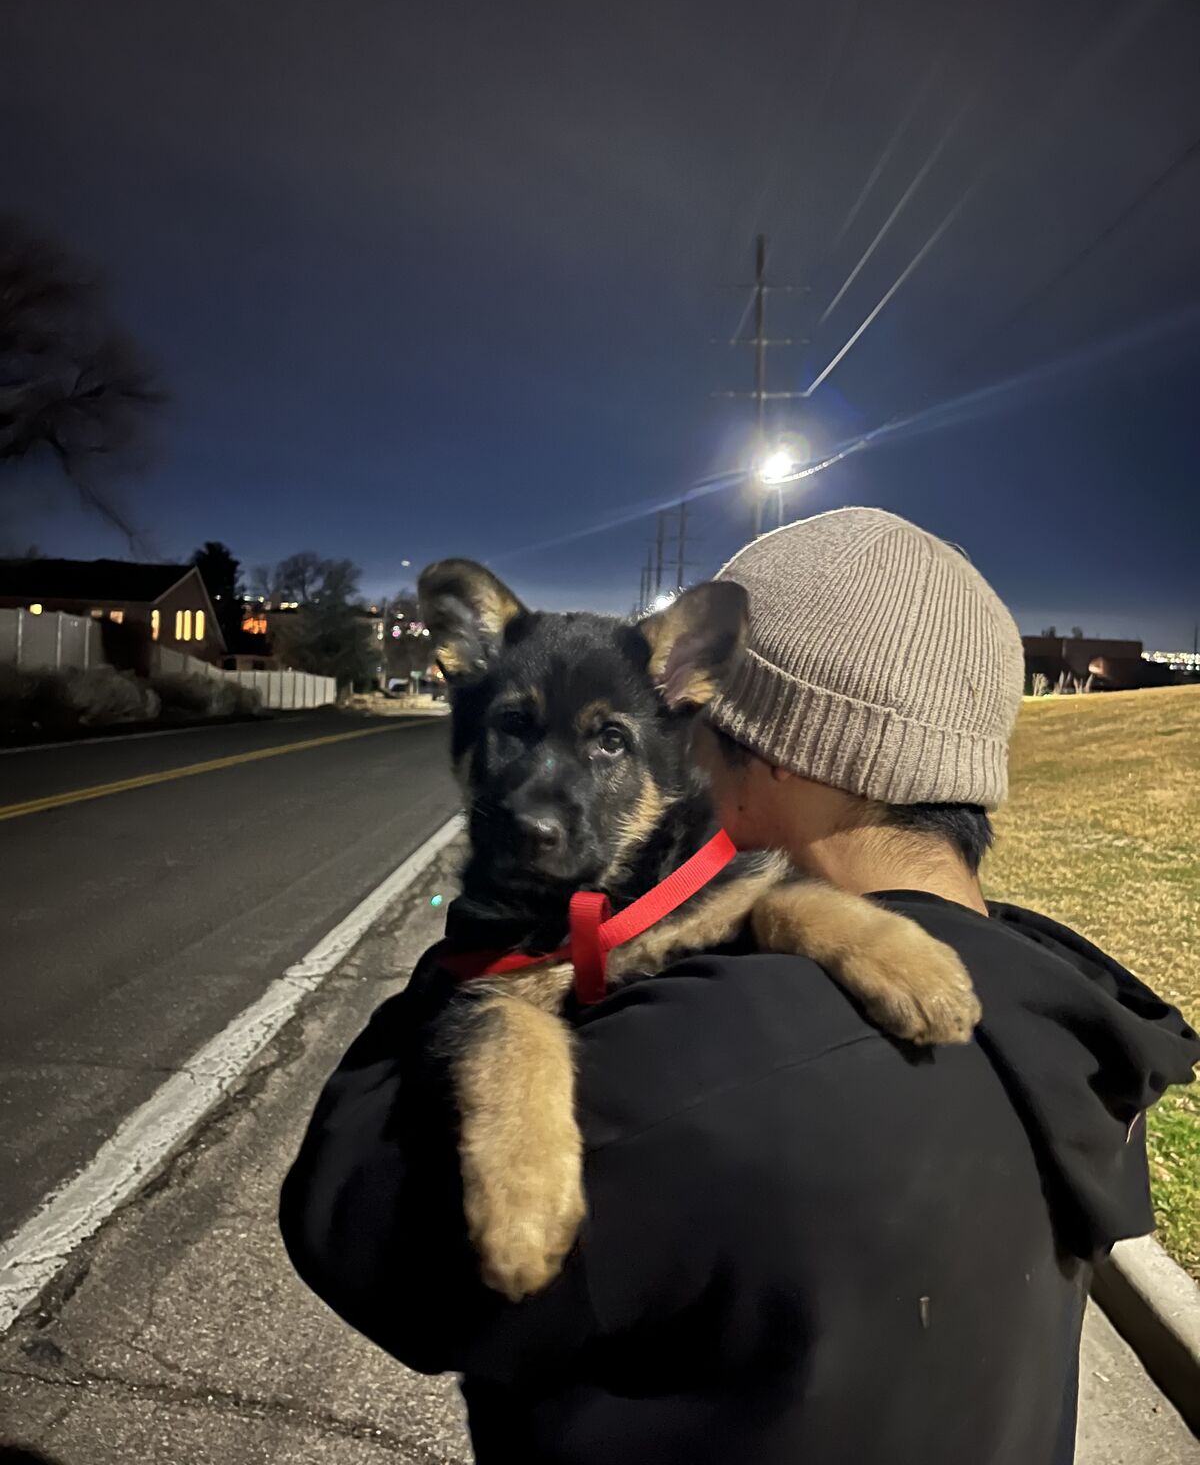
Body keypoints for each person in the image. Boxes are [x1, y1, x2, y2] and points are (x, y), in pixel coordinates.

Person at [280, 507, 1198, 1465]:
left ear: (775, 757)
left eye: (697, 745)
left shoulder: (676, 1079)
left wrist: (479, 969)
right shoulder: (1069, 1032)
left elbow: (350, 1218)